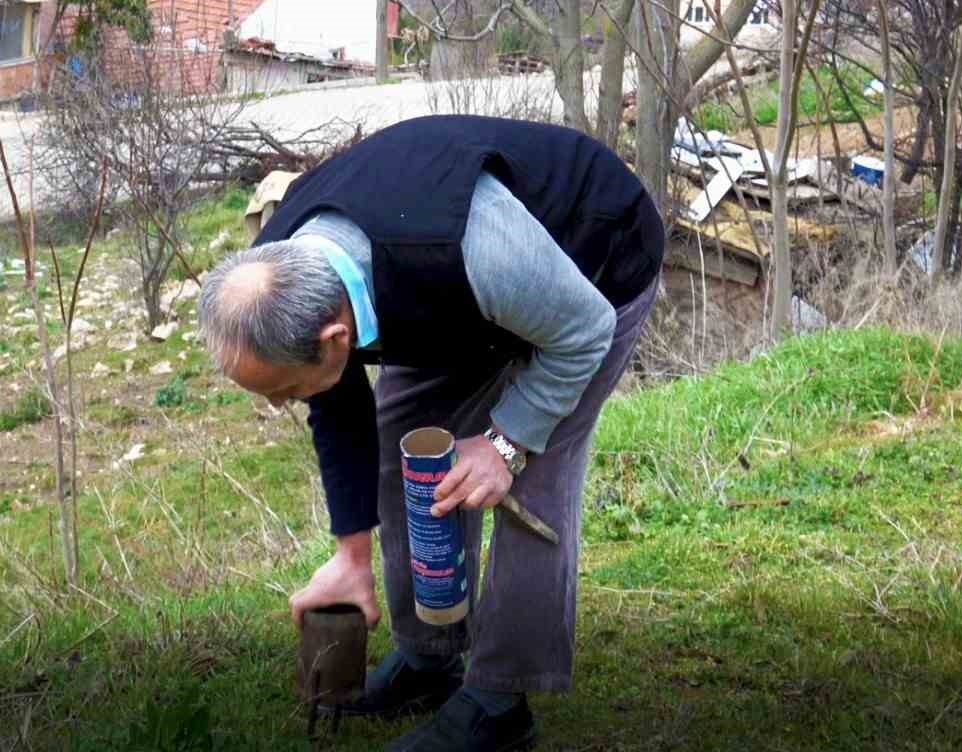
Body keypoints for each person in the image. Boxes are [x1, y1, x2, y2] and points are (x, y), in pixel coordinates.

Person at [197, 115, 663, 751]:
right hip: (454, 299)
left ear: (334, 339)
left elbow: (582, 331)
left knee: (527, 483)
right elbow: (335, 402)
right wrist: (350, 555)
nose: (280, 404)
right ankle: (430, 653)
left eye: (282, 390)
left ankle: (499, 701)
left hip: (590, 271)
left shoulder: (470, 246)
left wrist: (505, 444)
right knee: (408, 448)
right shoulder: (284, 271)